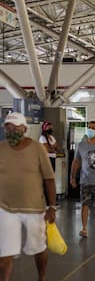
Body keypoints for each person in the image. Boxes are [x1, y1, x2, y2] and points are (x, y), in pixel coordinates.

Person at [0, 112, 56, 281]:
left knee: (37, 248)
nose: (11, 131)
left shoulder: (37, 148)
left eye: (15, 128)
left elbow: (49, 179)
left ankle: (42, 277)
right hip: (5, 208)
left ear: (24, 128)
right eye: (8, 128)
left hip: (33, 208)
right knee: (5, 256)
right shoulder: (1, 148)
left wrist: (52, 207)